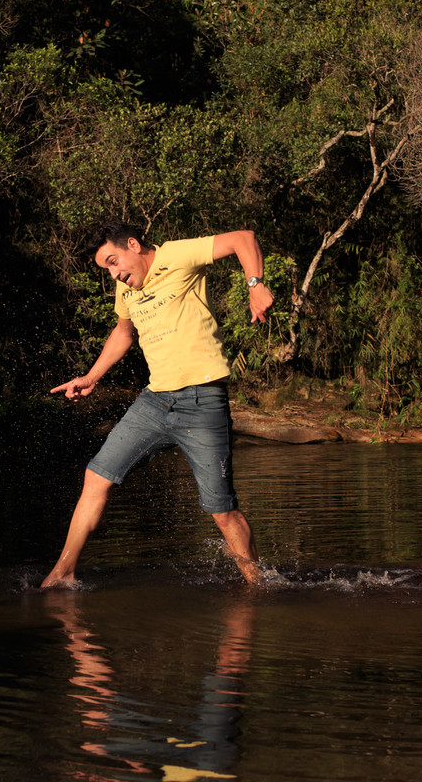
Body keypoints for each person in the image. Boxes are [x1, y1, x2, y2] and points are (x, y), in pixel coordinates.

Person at [40, 220, 275, 589]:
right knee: (96, 477)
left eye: (115, 261)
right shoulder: (125, 289)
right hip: (154, 402)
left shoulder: (176, 254)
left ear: (133, 244)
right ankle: (62, 573)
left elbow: (243, 238)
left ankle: (259, 586)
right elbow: (123, 332)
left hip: (202, 400)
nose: (115, 274)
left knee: (222, 512)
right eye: (107, 269)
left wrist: (255, 285)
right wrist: (91, 377)